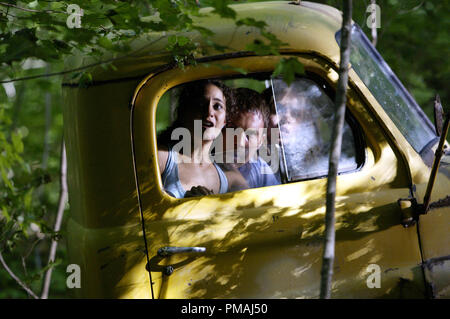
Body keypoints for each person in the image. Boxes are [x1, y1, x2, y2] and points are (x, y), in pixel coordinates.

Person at [157, 80, 247, 198]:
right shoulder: (161, 158)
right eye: (200, 103)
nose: (209, 111)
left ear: (225, 120)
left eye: (217, 106)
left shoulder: (231, 177)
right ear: (183, 112)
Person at [221, 88, 280, 189]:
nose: (240, 143)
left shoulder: (261, 171)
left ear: (260, 141)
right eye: (232, 129)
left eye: (250, 135)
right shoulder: (198, 161)